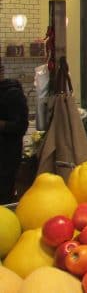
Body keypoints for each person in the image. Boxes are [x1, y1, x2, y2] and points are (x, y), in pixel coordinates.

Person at [0, 61, 29, 203]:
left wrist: (2, 125)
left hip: (6, 157)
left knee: (4, 195)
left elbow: (21, 126)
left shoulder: (13, 93)